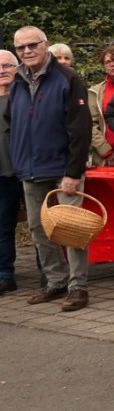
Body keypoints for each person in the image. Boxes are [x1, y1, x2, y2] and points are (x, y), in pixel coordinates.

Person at [7, 27, 93, 310]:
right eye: (21, 48)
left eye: (33, 45)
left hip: (63, 169)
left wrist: (73, 171)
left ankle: (78, 287)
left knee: (70, 229)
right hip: (30, 170)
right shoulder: (17, 81)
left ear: (46, 45)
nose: (27, 51)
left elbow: (81, 129)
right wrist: (19, 161)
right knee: (38, 229)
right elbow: (12, 123)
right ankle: (55, 282)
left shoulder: (67, 78)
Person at [0, 49, 21, 296]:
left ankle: (48, 274)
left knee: (40, 226)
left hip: (29, 171)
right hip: (2, 175)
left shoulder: (26, 95)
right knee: (3, 227)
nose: (2, 70)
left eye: (7, 65)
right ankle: (5, 275)